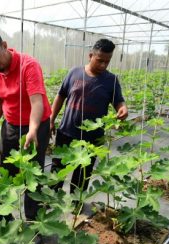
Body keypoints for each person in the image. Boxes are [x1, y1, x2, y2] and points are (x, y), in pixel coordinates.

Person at [0, 27, 51, 244]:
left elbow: (37, 101)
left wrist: (33, 128)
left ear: (5, 46)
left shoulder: (29, 65)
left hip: (36, 124)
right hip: (11, 124)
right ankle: (4, 219)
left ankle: (33, 225)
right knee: (5, 172)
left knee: (32, 175)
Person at [50, 38, 128, 195]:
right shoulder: (74, 72)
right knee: (58, 168)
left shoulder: (111, 80)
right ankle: (51, 198)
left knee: (83, 173)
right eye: (100, 60)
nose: (103, 65)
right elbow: (60, 96)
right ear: (90, 55)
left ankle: (76, 202)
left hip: (93, 138)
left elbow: (119, 102)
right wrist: (51, 119)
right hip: (67, 132)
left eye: (107, 61)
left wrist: (123, 109)